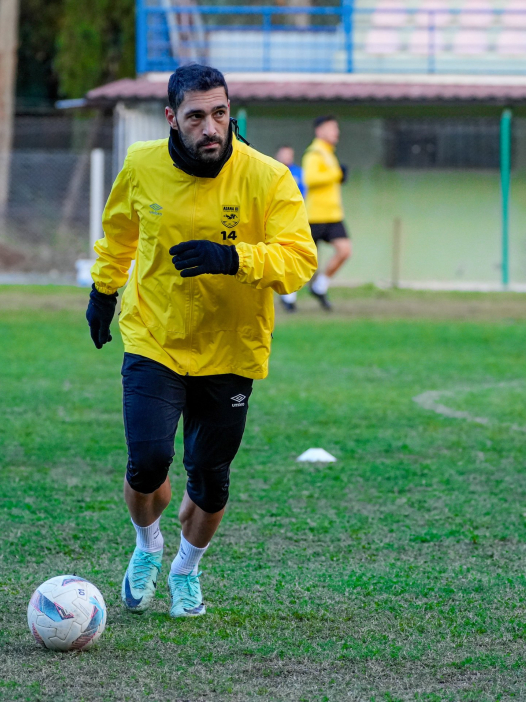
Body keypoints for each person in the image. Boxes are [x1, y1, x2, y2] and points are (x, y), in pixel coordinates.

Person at [85, 64, 317, 619]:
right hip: (155, 336)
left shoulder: (269, 178)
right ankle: (147, 548)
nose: (211, 127)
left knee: (210, 481)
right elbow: (121, 232)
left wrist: (233, 257)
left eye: (220, 113)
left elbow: (300, 261)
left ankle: (186, 569)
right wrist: (102, 289)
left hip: (231, 347)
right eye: (196, 117)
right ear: (171, 118)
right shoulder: (142, 164)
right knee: (148, 461)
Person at [301, 115, 352, 311]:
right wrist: (336, 173)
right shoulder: (314, 153)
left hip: (333, 216)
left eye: (336, 128)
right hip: (315, 216)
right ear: (320, 131)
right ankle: (288, 297)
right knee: (305, 261)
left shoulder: (330, 153)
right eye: (332, 128)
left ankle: (320, 286)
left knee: (345, 250)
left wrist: (336, 175)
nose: (336, 132)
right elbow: (311, 178)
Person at [275, 145, 306, 313]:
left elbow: (304, 194)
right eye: (284, 153)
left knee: (293, 258)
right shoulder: (271, 170)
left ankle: (289, 297)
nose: (287, 156)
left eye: (290, 154)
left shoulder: (299, 173)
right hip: (274, 221)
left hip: (293, 222)